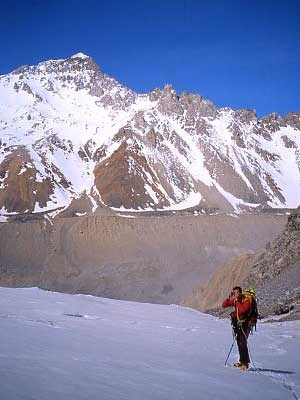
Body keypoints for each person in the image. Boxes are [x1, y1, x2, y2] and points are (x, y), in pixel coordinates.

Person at [222, 286, 252, 370]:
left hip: (245, 324)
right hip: (238, 324)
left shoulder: (246, 301)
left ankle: (245, 363)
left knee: (242, 342)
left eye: (235, 293)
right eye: (233, 293)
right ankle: (242, 361)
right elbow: (224, 305)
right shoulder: (236, 300)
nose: (234, 294)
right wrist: (229, 298)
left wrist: (237, 302)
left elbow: (243, 310)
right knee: (239, 342)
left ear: (239, 293)